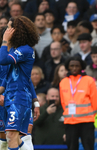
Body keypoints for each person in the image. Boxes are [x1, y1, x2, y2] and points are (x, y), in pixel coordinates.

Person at [0, 16, 40, 150]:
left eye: (10, 27)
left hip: (19, 98)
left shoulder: (25, 50)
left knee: (12, 136)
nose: (7, 30)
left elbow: (3, 60)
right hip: (10, 97)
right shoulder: (15, 51)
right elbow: (8, 78)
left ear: (18, 31)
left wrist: (5, 40)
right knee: (12, 137)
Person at [59, 56, 97, 150]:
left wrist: (91, 116)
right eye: (72, 66)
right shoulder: (63, 82)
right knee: (72, 147)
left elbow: (95, 101)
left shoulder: (89, 80)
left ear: (81, 67)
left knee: (89, 147)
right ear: (68, 67)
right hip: (70, 122)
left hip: (86, 121)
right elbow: (63, 102)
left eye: (77, 66)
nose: (74, 68)